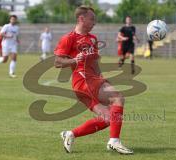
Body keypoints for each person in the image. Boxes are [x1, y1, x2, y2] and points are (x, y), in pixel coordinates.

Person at [54, 6, 133, 154]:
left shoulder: (92, 39)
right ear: (81, 19)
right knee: (118, 98)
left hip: (90, 82)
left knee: (109, 118)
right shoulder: (69, 38)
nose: (94, 22)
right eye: (92, 19)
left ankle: (70, 134)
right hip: (82, 81)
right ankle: (114, 141)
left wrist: (103, 79)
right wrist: (73, 61)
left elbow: (95, 62)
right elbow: (57, 62)